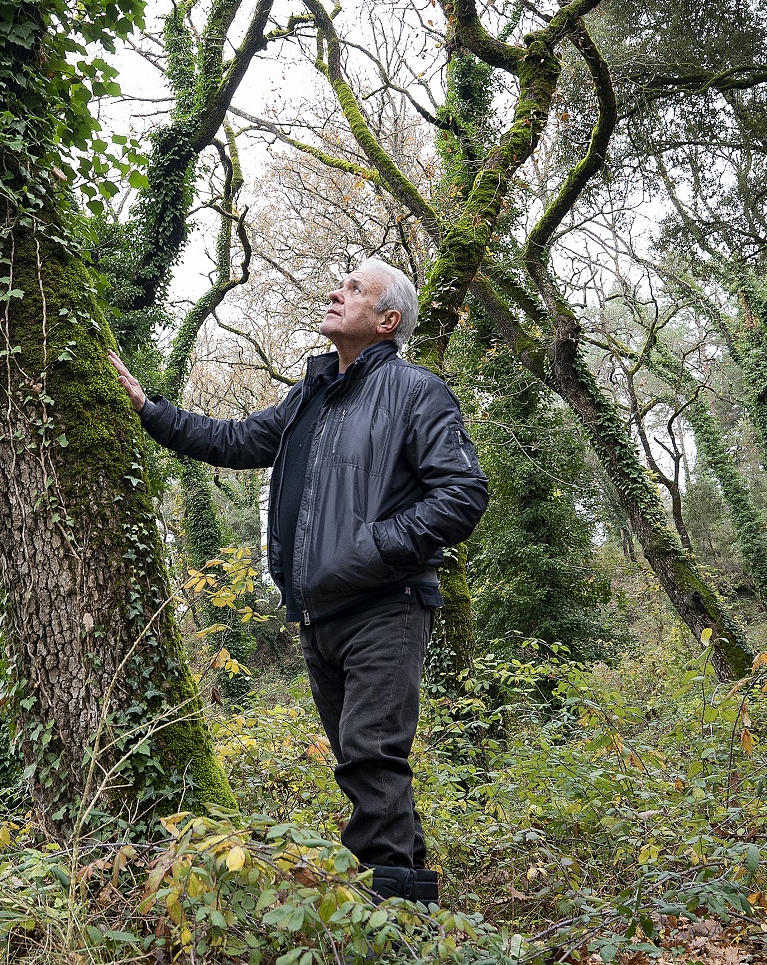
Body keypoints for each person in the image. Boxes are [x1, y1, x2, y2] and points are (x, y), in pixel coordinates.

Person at [107, 257, 488, 905]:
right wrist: (147, 408)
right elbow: (229, 440)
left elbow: (462, 494)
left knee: (370, 754)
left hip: (385, 606)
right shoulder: (307, 398)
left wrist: (372, 546)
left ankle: (394, 917)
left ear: (387, 319)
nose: (335, 293)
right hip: (320, 617)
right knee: (363, 767)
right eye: (339, 284)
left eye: (353, 289)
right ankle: (407, 903)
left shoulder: (415, 393)